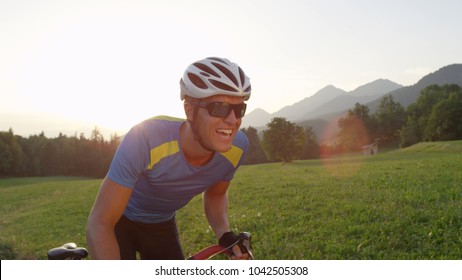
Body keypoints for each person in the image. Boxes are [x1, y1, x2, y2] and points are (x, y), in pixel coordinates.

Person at [86, 57, 252, 260]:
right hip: (118, 221)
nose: (233, 120)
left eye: (239, 109)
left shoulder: (237, 147)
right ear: (190, 110)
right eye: (220, 107)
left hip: (161, 224)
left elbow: (216, 195)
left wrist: (224, 234)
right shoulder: (146, 138)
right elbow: (100, 222)